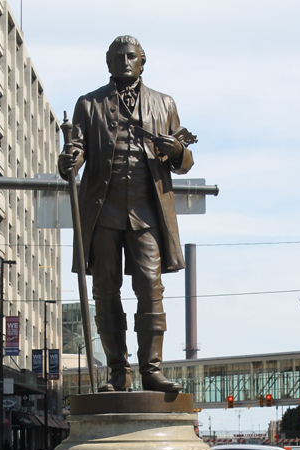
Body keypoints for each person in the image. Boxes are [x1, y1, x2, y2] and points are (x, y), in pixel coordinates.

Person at [58, 36, 194, 393]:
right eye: (118, 56)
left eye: (131, 55)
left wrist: (177, 149)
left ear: (142, 61)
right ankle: (118, 371)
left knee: (151, 287)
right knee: (105, 289)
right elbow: (76, 149)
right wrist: (68, 159)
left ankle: (151, 370)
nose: (125, 60)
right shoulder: (88, 104)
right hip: (103, 209)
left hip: (146, 210)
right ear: (108, 63)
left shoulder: (164, 104)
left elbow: (185, 161)